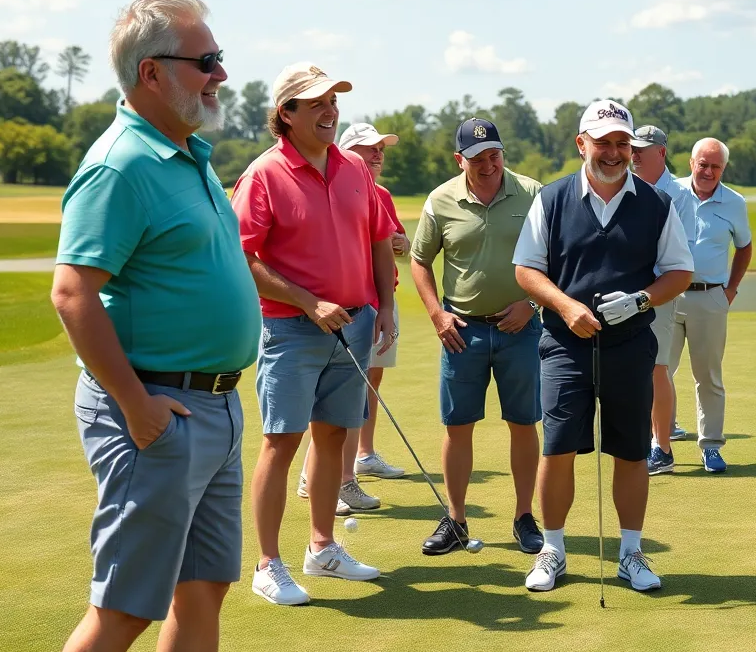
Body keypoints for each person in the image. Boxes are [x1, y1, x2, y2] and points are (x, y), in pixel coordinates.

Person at [54, 0, 259, 652]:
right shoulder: (121, 165)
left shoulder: (186, 153)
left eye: (218, 59)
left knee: (203, 592)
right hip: (156, 411)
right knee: (123, 610)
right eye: (206, 62)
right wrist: (134, 405)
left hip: (216, 407)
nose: (220, 74)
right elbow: (72, 292)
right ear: (152, 74)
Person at [513, 99, 694, 593]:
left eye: (622, 144)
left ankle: (630, 554)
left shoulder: (656, 203)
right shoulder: (551, 200)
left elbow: (679, 272)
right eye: (604, 143)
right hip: (564, 344)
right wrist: (566, 306)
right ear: (581, 144)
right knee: (558, 447)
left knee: (632, 451)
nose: (614, 153)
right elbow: (526, 269)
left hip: (631, 344)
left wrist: (640, 300)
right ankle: (553, 550)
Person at [232, 63, 396, 606]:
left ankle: (322, 547)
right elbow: (244, 256)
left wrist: (385, 305)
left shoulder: (353, 168)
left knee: (333, 437)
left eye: (333, 101)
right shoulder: (264, 174)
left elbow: (378, 238)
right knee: (282, 442)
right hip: (291, 328)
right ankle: (267, 564)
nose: (330, 111)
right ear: (287, 114)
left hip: (355, 321)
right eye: (317, 103)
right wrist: (308, 301)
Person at [410, 118, 546, 556]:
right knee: (458, 426)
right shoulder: (440, 199)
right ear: (459, 160)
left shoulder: (532, 193)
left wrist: (533, 305)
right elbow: (419, 261)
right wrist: (437, 314)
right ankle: (456, 520)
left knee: (524, 424)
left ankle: (525, 517)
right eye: (477, 158)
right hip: (461, 330)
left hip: (521, 328)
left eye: (494, 155)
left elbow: (559, 255)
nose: (488, 165)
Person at [296, 122, 409, 516]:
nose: (377, 155)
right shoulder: (330, 191)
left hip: (378, 305)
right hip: (347, 308)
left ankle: (357, 461)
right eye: (368, 148)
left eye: (381, 149)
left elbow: (394, 242)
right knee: (337, 400)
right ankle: (323, 477)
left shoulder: (382, 195)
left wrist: (400, 243)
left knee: (363, 394)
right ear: (344, 153)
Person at [669, 137, 753, 473]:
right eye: (703, 164)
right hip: (667, 295)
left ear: (723, 168)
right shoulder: (670, 192)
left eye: (715, 166)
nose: (708, 171)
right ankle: (659, 441)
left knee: (709, 377)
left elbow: (744, 247)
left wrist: (730, 289)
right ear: (692, 163)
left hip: (711, 296)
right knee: (659, 371)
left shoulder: (734, 202)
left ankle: (711, 446)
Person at [629, 124, 698, 476]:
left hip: (659, 291)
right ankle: (640, 440)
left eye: (642, 149)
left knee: (657, 368)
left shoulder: (679, 195)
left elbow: (678, 252)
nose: (634, 154)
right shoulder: (626, 185)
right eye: (633, 148)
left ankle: (663, 448)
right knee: (634, 368)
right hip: (628, 292)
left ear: (661, 152)